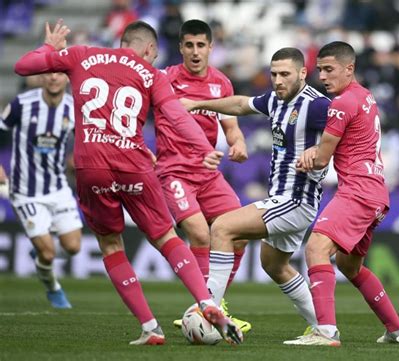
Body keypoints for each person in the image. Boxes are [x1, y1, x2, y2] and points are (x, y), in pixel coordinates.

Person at [14, 19, 242, 346]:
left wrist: (51, 47)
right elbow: (177, 116)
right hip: (134, 164)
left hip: (91, 166)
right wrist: (205, 148)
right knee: (165, 237)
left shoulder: (81, 54)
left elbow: (24, 66)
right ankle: (206, 302)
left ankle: (150, 327)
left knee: (110, 245)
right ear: (150, 49)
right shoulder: (150, 73)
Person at [181, 47, 331, 339]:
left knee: (222, 227)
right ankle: (324, 326)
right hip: (285, 198)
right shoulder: (275, 99)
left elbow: (344, 132)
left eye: (285, 74)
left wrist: (319, 150)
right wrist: (197, 104)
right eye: (274, 74)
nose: (277, 80)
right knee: (274, 265)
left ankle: (209, 309)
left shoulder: (317, 105)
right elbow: (240, 104)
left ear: (302, 73)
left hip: (295, 198)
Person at [286, 41, 399, 346]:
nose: (323, 76)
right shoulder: (365, 96)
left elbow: (321, 159)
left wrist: (308, 156)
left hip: (357, 190)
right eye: (320, 69)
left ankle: (326, 331)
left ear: (349, 68)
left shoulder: (342, 103)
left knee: (316, 248)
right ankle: (397, 331)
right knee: (349, 265)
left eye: (329, 69)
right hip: (377, 193)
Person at [155, 19, 250, 332]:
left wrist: (238, 146)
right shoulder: (164, 79)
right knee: (200, 234)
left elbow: (232, 129)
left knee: (241, 233)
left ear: (211, 47)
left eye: (201, 45)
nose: (195, 52)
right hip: (174, 172)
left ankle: (213, 302)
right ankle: (203, 305)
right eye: (189, 45)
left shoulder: (221, 83)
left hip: (208, 173)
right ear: (181, 47)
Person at [0, 72, 82, 309]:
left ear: (67, 78)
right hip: (25, 190)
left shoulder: (73, 108)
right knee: (48, 253)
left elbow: (85, 141)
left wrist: (76, 158)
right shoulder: (22, 104)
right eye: (49, 74)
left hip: (57, 187)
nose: (54, 78)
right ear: (41, 78)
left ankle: (40, 252)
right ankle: (53, 288)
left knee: (74, 247)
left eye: (59, 73)